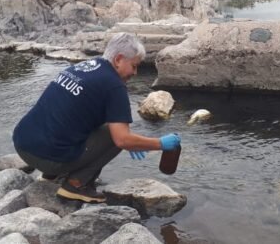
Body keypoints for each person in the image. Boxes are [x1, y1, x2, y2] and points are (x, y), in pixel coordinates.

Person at [13, 32, 181, 203]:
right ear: (118, 59)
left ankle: (51, 176)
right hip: (45, 157)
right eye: (134, 66)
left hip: (22, 143)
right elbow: (122, 140)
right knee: (113, 136)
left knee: (82, 119)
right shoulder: (114, 86)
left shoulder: (84, 67)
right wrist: (160, 144)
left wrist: (133, 142)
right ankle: (75, 184)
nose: (135, 72)